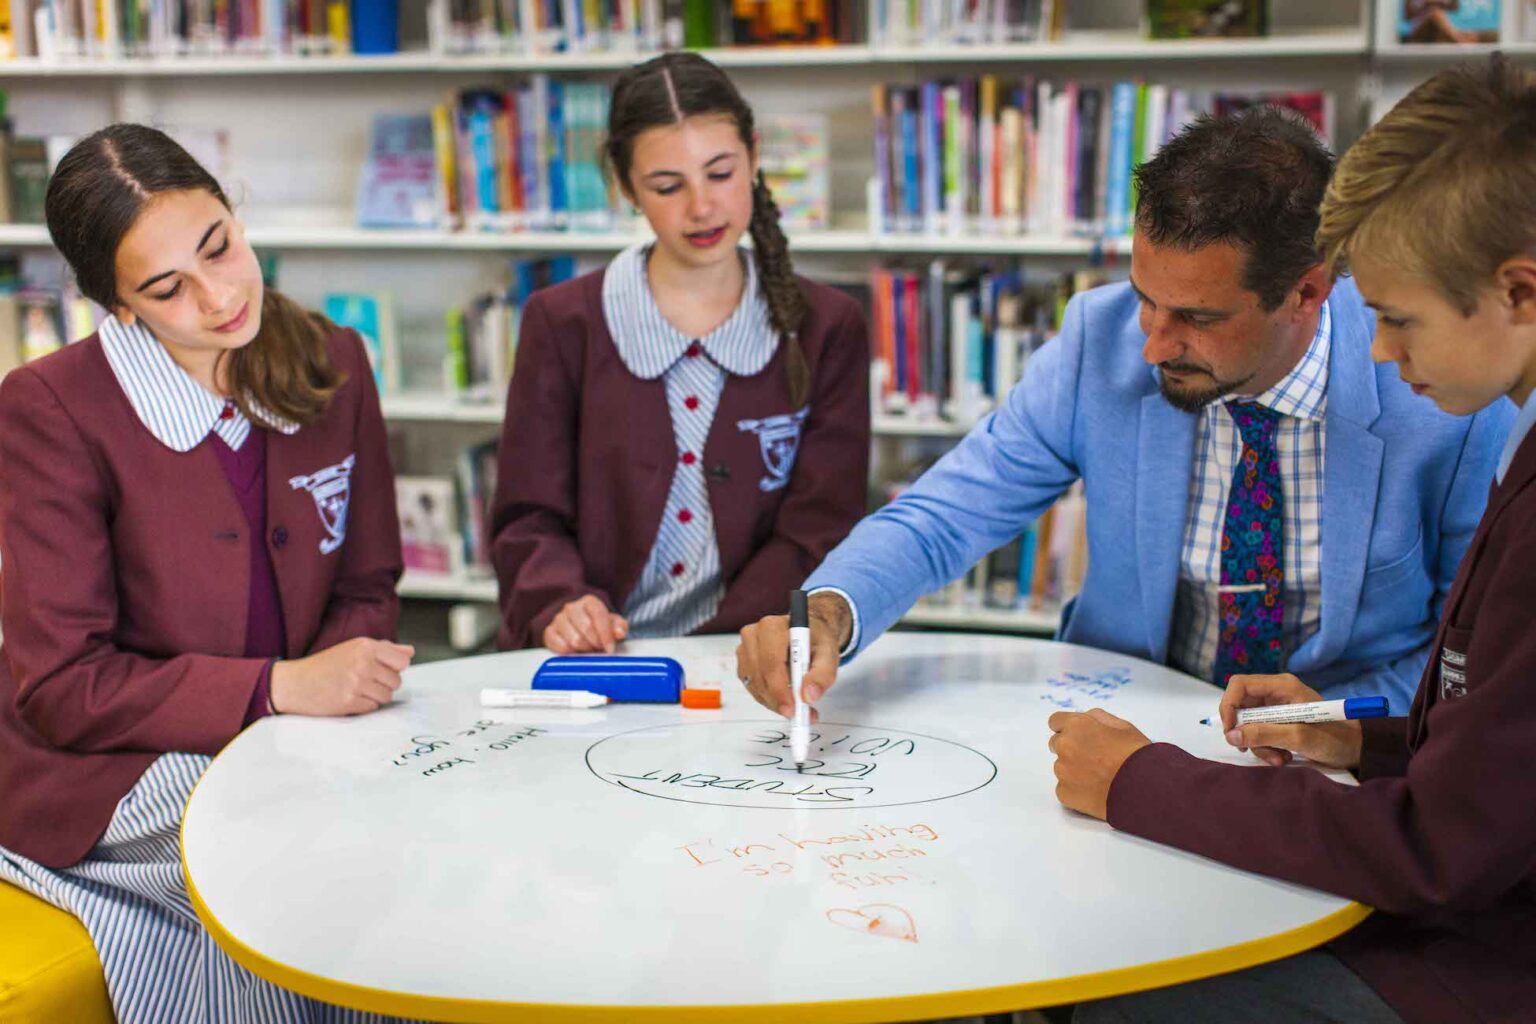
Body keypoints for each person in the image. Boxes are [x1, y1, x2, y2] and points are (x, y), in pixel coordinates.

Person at [736, 105, 1511, 721]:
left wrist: (1326, 723)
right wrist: (829, 611)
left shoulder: (1439, 392)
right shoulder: (1097, 342)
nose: (1152, 345)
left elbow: (1461, 653)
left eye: (1197, 318)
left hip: (1334, 749)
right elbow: (944, 515)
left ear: (1306, 292)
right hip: (1124, 725)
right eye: (1146, 298)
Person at [1053, 57, 1536, 1023]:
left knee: (1123, 992)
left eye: (1397, 319)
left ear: (1519, 293)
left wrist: (1145, 783)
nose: (1380, 351)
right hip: (1469, 889)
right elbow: (1500, 754)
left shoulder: (1484, 441)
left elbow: (1437, 848)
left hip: (1487, 953)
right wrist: (1362, 736)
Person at [0, 124, 411, 1023]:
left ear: (233, 213)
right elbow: (62, 687)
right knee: (280, 863)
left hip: (299, 738)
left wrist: (327, 699)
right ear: (118, 305)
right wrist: (277, 692)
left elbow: (368, 582)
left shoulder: (337, 358)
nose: (219, 296)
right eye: (166, 288)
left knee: (422, 847)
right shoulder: (48, 411)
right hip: (107, 765)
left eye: (218, 246)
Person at [490, 51, 870, 653]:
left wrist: (727, 649)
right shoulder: (561, 322)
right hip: (594, 660)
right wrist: (561, 603)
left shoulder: (829, 326)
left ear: (754, 156)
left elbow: (819, 527)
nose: (701, 207)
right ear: (625, 187)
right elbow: (526, 518)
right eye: (667, 186)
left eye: (720, 173)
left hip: (750, 655)